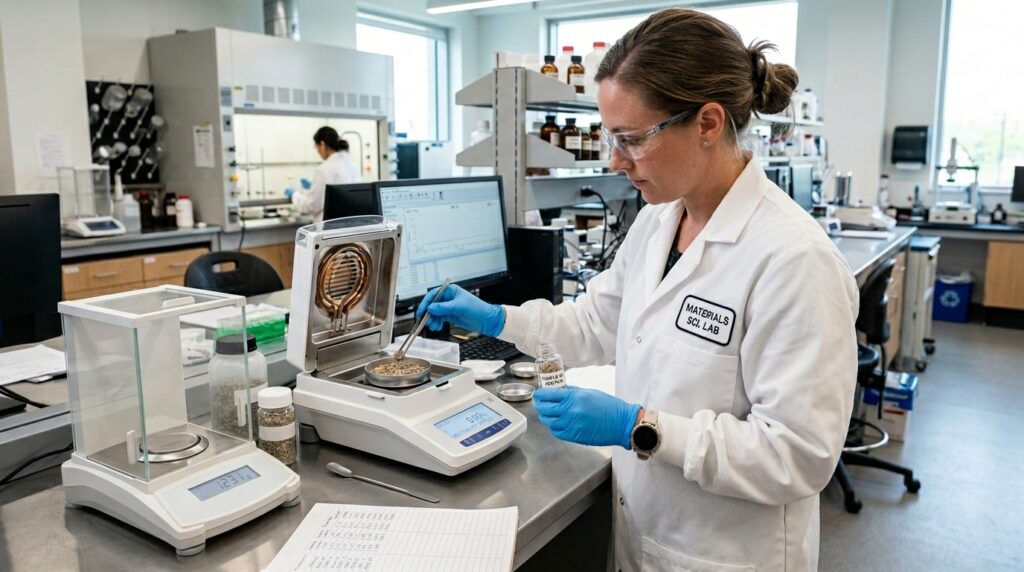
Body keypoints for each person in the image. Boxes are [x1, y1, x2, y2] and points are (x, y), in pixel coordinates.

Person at [417, 9, 858, 572]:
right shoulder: (658, 220)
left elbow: (798, 455)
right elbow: (594, 324)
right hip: (645, 534)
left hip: (728, 553)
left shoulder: (794, 259)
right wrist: (497, 320)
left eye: (631, 139)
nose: (614, 160)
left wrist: (638, 426)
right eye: (610, 136)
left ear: (707, 123)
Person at [285, 126, 360, 222]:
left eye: (317, 147)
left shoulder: (323, 169)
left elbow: (311, 205)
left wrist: (294, 195)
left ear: (322, 144)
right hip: (349, 225)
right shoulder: (353, 165)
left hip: (329, 229)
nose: (318, 151)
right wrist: (313, 186)